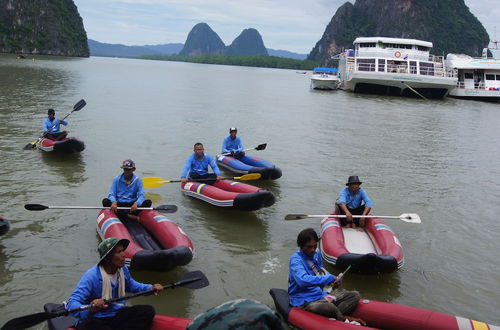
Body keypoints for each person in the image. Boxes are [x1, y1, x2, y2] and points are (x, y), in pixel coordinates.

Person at [67, 237, 164, 329]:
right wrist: (90, 307)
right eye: (119, 252)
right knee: (91, 324)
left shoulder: (123, 270)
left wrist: (150, 288)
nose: (124, 255)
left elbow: (132, 285)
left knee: (147, 311)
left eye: (123, 250)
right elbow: (72, 304)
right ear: (107, 258)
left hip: (116, 313)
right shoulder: (91, 277)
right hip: (97, 318)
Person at [288, 228, 365, 325]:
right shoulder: (296, 260)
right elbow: (302, 281)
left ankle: (335, 315)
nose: (312, 249)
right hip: (303, 299)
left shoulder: (316, 253)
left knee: (354, 295)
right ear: (301, 246)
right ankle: (343, 318)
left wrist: (333, 281)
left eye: (315, 246)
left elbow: (321, 271)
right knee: (329, 307)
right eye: (309, 247)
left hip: (319, 295)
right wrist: (328, 279)